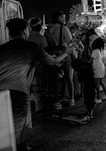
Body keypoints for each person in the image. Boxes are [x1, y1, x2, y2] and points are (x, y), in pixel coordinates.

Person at [0, 18, 72, 151]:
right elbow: (53, 62)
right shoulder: (31, 47)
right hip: (17, 92)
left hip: (1, 93)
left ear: (10, 33)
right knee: (18, 130)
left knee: (3, 129)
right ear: (24, 31)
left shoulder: (2, 48)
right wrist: (66, 53)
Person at [47, 11, 75, 106]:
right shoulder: (64, 28)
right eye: (63, 18)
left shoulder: (48, 29)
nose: (65, 20)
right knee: (68, 77)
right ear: (58, 18)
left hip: (53, 55)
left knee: (55, 79)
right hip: (64, 54)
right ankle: (71, 98)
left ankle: (57, 101)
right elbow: (71, 42)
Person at [27, 17, 48, 112]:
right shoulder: (42, 39)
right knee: (39, 85)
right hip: (39, 65)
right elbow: (46, 53)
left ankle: (34, 104)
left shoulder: (28, 38)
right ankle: (38, 105)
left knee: (32, 85)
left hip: (29, 65)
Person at [92, 37, 106, 103]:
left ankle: (98, 98)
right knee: (101, 82)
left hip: (97, 68)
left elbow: (91, 59)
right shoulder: (99, 50)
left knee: (96, 84)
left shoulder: (95, 51)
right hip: (101, 67)